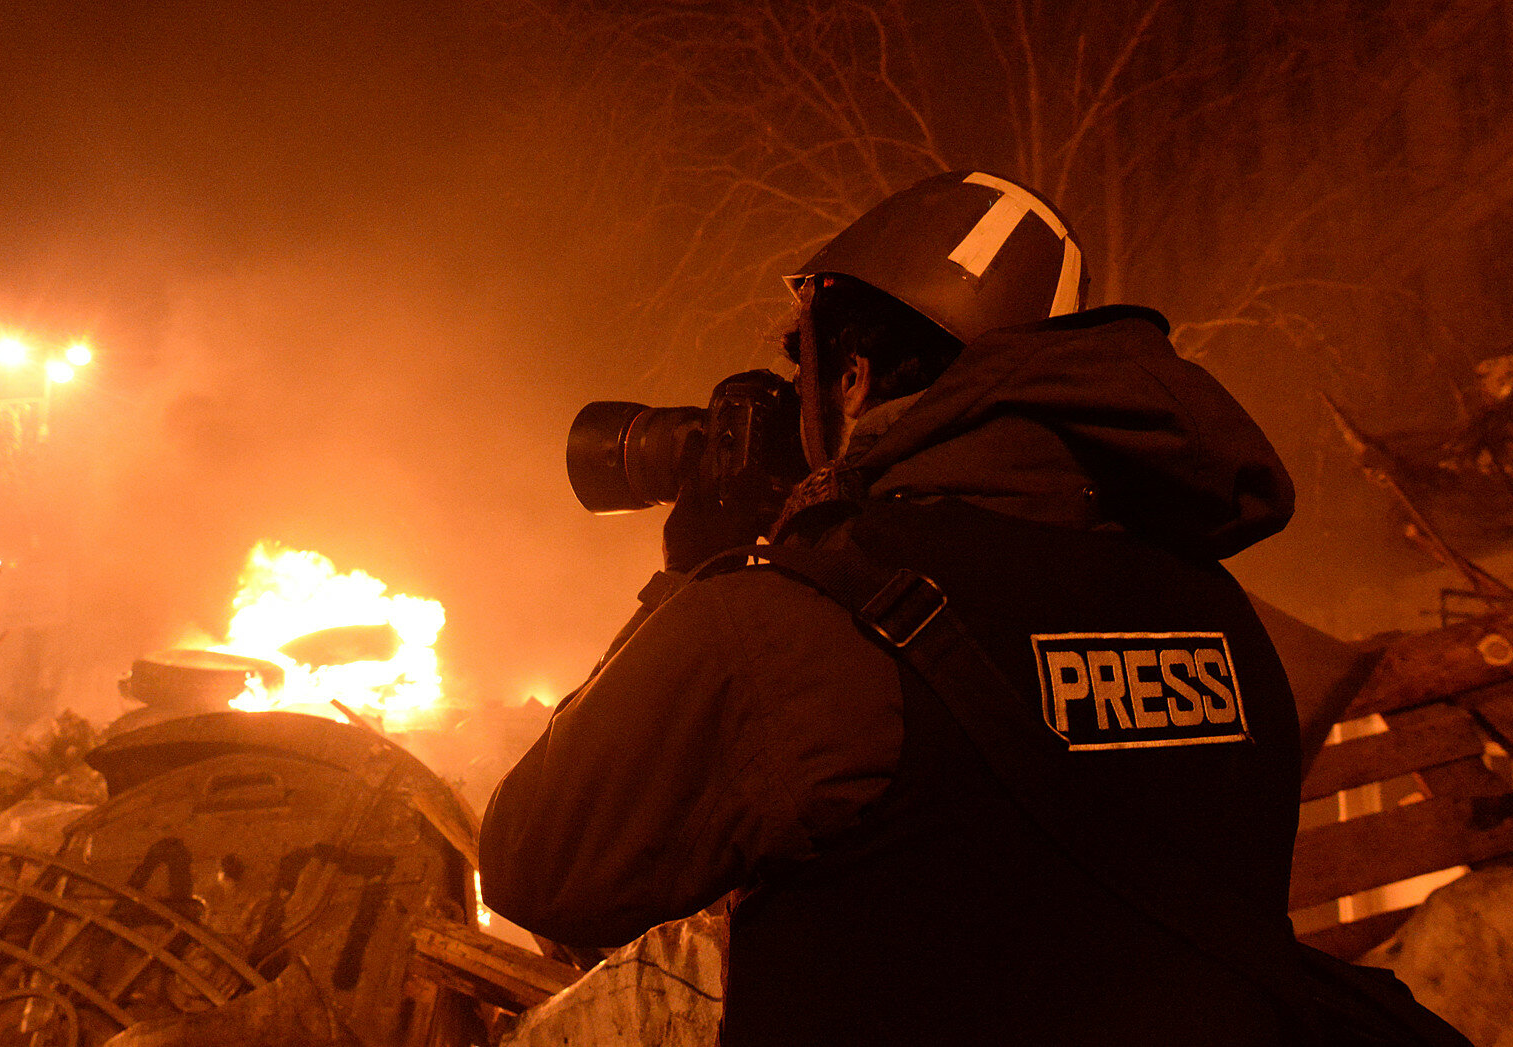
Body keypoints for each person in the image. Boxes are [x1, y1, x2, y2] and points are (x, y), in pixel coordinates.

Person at [479, 171, 1440, 1045]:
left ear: (852, 376)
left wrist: (701, 575)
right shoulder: (1225, 617)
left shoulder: (800, 623)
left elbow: (539, 865)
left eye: (803, 367)